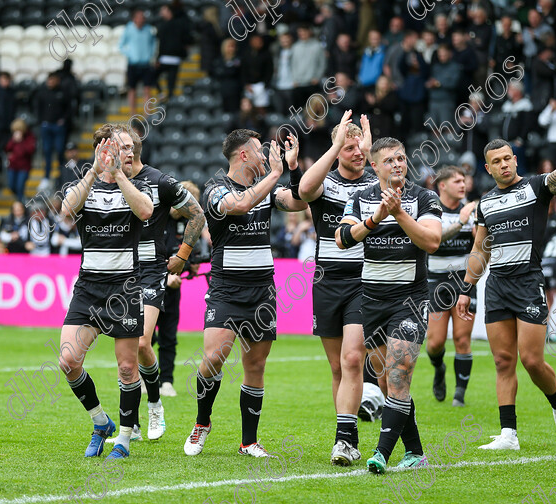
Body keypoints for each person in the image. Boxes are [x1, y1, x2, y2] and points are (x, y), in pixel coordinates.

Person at [457, 105, 556, 451]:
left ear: (514, 158)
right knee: (502, 360)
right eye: (497, 161)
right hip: (496, 285)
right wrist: (466, 289)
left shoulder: (537, 187)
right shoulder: (485, 204)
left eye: (509, 158)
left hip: (527, 283)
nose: (505, 164)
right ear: (488, 167)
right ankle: (508, 434)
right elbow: (480, 250)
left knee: (531, 360)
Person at [184, 129, 307, 458]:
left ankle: (248, 441)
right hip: (225, 288)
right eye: (259, 150)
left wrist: (292, 170)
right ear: (243, 155)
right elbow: (240, 205)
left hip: (262, 290)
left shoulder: (269, 187)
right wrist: (276, 174)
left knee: (255, 365)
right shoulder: (216, 188)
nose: (266, 155)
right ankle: (202, 421)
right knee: (213, 358)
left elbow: (299, 200)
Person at [336, 136, 442, 475]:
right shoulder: (360, 199)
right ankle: (415, 452)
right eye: (390, 160)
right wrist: (376, 218)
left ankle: (380, 453)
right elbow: (342, 239)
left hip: (409, 301)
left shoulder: (424, 197)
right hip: (372, 300)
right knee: (386, 381)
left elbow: (432, 241)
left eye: (401, 158)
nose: (398, 164)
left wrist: (398, 214)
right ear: (374, 166)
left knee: (398, 375)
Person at [55, 124, 154, 460]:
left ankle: (124, 437)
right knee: (68, 360)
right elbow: (66, 211)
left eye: (125, 147)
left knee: (127, 368)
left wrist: (118, 176)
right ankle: (100, 421)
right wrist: (96, 172)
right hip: (89, 287)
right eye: (113, 147)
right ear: (98, 149)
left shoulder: (138, 186)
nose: (121, 152)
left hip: (125, 288)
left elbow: (145, 212)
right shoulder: (82, 186)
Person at [298, 110, 375, 466]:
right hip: (327, 280)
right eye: (349, 149)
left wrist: (369, 154)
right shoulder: (325, 183)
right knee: (337, 367)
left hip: (364, 278)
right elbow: (303, 189)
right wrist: (335, 146)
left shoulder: (374, 184)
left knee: (352, 358)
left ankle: (342, 439)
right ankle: (350, 435)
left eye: (360, 147)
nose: (356, 153)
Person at [129, 139, 205, 440]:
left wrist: (184, 257)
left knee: (145, 343)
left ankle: (157, 401)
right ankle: (129, 423)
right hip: (121, 274)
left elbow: (197, 215)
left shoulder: (159, 181)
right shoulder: (108, 184)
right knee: (126, 356)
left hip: (152, 273)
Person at [426, 166, 478, 407]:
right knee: (435, 343)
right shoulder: (431, 211)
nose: (463, 184)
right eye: (456, 181)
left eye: (464, 181)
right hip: (436, 283)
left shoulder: (472, 212)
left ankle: (460, 393)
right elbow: (432, 243)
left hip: (464, 282)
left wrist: (478, 229)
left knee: (461, 339)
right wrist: (460, 222)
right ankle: (439, 368)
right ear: (442, 185)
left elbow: (481, 246)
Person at [156, 180, 204, 397]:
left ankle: (166, 381)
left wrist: (192, 264)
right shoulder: (156, 217)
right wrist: (165, 277)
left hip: (173, 290)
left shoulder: (188, 224)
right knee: (142, 335)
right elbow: (147, 256)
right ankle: (146, 379)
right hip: (149, 285)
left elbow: (190, 251)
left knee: (168, 335)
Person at [34, 72, 72, 192]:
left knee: (60, 150)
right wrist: (41, 120)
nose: (50, 82)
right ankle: (46, 177)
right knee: (47, 152)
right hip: (46, 126)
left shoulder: (63, 92)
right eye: (49, 80)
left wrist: (64, 120)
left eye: (52, 80)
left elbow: (70, 108)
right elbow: (37, 107)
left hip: (58, 126)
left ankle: (61, 174)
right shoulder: (42, 92)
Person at [119, 10, 156, 117]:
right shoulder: (129, 29)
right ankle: (133, 113)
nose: (141, 19)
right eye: (139, 17)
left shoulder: (148, 29)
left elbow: (153, 43)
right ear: (134, 19)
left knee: (147, 89)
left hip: (146, 64)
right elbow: (121, 45)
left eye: (143, 17)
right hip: (133, 64)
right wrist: (130, 54)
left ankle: (147, 114)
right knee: (132, 89)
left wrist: (151, 55)